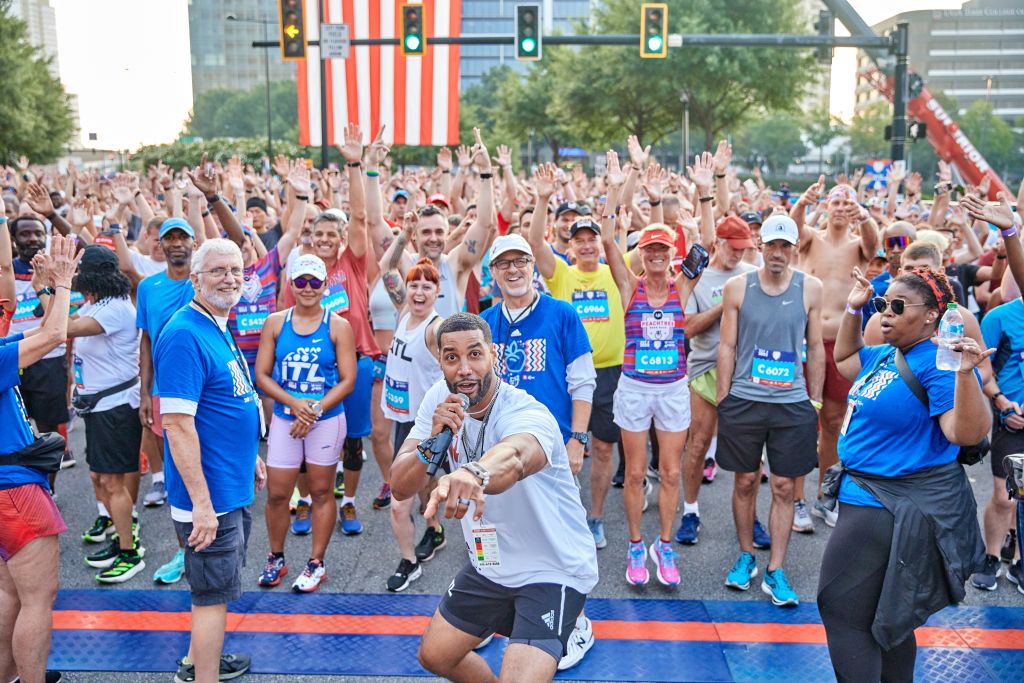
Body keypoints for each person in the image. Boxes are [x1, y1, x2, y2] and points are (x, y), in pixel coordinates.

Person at [391, 313, 598, 683]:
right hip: (491, 564)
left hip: (551, 568)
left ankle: (576, 623)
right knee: (435, 656)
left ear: (494, 357)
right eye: (452, 357)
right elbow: (400, 485)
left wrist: (474, 473)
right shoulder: (440, 400)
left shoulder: (524, 410)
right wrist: (429, 444)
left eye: (475, 354)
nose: (465, 369)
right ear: (440, 361)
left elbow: (517, 457)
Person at [820, 266, 990, 682]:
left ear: (933, 314)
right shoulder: (886, 354)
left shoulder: (938, 363)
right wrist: (853, 310)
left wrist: (966, 375)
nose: (886, 314)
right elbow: (844, 359)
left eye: (898, 306)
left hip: (885, 508)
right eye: (883, 305)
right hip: (870, 500)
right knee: (888, 620)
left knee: (842, 613)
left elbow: (964, 432)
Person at [479, 233, 598, 670]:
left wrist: (578, 439)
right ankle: (497, 617)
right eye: (503, 263)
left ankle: (579, 622)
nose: (513, 270)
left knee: (560, 539)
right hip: (496, 451)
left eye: (521, 262)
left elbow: (583, 382)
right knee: (498, 534)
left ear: (533, 266)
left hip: (550, 449)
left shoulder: (562, 314)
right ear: (492, 273)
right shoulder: (484, 321)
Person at [598, 149, 715, 587]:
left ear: (672, 253)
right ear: (641, 253)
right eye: (649, 249)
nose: (656, 256)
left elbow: (708, 245)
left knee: (669, 471)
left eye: (663, 249)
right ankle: (633, 544)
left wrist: (704, 193)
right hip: (633, 388)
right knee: (632, 472)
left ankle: (663, 546)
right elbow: (609, 240)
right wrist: (613, 187)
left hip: (671, 390)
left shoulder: (683, 285)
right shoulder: (629, 285)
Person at [155, 239, 264, 683]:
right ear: (196, 279)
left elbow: (229, 401)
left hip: (228, 483)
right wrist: (201, 504)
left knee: (214, 590)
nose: (230, 279)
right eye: (218, 271)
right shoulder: (184, 333)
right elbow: (177, 426)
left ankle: (197, 660)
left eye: (236, 270)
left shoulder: (215, 323)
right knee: (211, 596)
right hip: (209, 497)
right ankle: (204, 676)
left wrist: (251, 453)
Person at [717, 215, 825, 607]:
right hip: (744, 399)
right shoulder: (737, 288)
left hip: (791, 402)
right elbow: (726, 346)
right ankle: (746, 555)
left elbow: (815, 348)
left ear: (795, 248)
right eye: (772, 246)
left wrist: (813, 400)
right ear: (760, 246)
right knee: (745, 481)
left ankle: (776, 570)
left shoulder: (810, 289)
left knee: (783, 486)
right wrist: (725, 398)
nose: (778, 253)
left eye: (785, 246)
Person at [281, 125, 381, 535]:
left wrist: (355, 164)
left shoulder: (351, 264)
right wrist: (297, 194)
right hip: (312, 371)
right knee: (304, 439)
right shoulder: (300, 276)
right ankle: (304, 501)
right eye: (316, 234)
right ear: (310, 237)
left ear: (341, 239)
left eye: (330, 234)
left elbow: (359, 215)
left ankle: (350, 503)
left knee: (353, 441)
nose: (324, 239)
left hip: (355, 366)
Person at [529, 155, 631, 550]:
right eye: (579, 239)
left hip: (611, 374)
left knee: (603, 449)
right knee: (560, 447)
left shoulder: (615, 272)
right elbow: (535, 243)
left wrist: (615, 189)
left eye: (592, 239)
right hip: (568, 376)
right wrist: (542, 200)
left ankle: (596, 516)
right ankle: (559, 511)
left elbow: (612, 235)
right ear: (570, 246)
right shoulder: (563, 275)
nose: (588, 245)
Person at [0, 234, 78, 683]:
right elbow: (54, 334)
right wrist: (66, 282)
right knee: (36, 599)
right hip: (13, 489)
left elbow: (40, 329)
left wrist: (47, 288)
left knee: (10, 595)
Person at [254, 254, 356, 592]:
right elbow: (262, 376)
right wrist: (296, 405)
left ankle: (316, 562)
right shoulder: (275, 323)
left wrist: (313, 410)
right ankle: (276, 556)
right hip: (287, 418)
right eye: (301, 282)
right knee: (278, 493)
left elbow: (347, 380)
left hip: (325, 420)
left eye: (315, 282)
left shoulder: (338, 325)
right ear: (291, 286)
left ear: (326, 286)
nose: (308, 288)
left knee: (322, 490)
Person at [793, 179, 879, 526]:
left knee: (832, 421)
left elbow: (874, 245)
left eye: (848, 205)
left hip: (840, 344)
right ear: (827, 206)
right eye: (836, 204)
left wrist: (866, 216)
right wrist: (803, 201)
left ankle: (823, 495)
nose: (841, 210)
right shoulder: (812, 237)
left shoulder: (858, 244)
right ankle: (797, 498)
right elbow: (795, 229)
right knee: (799, 420)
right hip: (805, 338)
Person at [68, 246, 145, 583]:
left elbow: (64, 330)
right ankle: (121, 538)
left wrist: (46, 288)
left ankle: (130, 552)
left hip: (115, 408)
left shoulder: (114, 308)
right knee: (100, 479)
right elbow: (69, 322)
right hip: (98, 407)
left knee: (112, 481)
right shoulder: (97, 302)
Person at [678, 215, 757, 544]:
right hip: (705, 368)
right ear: (719, 244)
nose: (738, 254)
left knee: (748, 451)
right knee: (698, 444)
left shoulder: (754, 276)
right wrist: (725, 305)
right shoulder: (701, 279)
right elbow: (686, 327)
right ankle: (690, 511)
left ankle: (750, 519)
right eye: (733, 248)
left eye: (743, 249)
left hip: (745, 371)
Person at [379, 241, 445, 592]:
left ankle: (409, 562)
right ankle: (434, 531)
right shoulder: (404, 312)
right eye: (414, 284)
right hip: (403, 419)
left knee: (399, 504)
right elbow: (387, 268)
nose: (419, 291)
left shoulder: (436, 329)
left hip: (428, 427)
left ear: (437, 292)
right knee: (425, 487)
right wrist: (403, 235)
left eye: (427, 285)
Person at [9, 215, 75, 472]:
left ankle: (50, 488)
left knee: (48, 429)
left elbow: (68, 318)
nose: (33, 239)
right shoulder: (6, 272)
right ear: (14, 239)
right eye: (25, 234)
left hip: (49, 358)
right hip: (15, 357)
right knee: (16, 426)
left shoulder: (57, 270)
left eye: (38, 233)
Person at [974, 271, 1024, 590]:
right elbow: (982, 369)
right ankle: (992, 557)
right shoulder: (1000, 317)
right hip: (1012, 421)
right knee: (1007, 497)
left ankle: (1018, 562)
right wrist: (1003, 404)